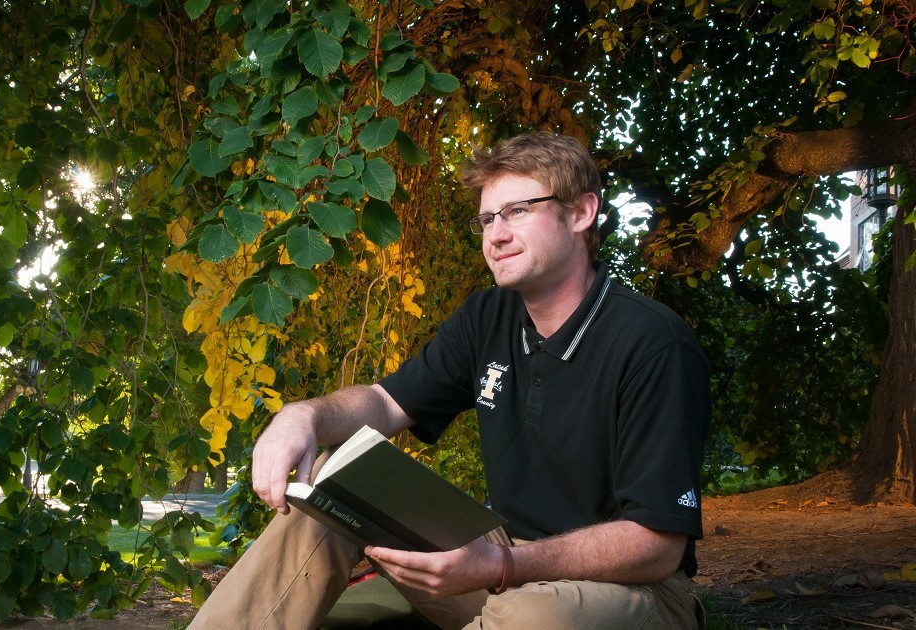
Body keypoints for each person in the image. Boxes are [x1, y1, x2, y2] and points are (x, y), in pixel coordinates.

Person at [189, 132, 710, 629]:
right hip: (501, 558)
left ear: (581, 212)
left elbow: (658, 545)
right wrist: (302, 415)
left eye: (517, 212)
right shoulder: (488, 317)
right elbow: (384, 402)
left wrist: (502, 567)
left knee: (531, 617)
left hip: (632, 591)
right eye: (486, 219)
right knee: (337, 487)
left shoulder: (653, 342)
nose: (496, 235)